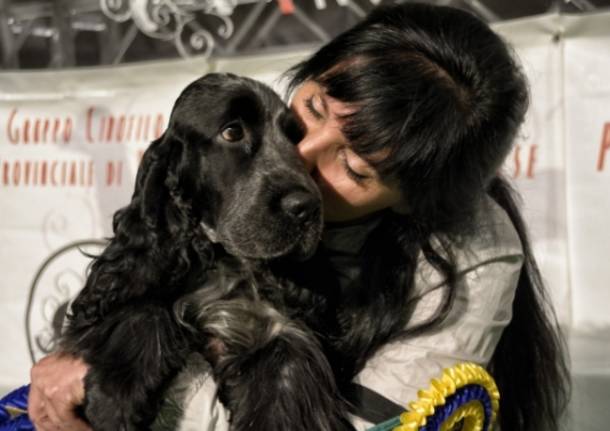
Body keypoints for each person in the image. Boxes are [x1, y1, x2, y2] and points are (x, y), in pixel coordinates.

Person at [28, 3, 570, 431]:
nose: (298, 160)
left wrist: (104, 397)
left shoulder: (475, 252)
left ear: (412, 202)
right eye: (308, 113)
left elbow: (370, 425)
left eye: (354, 169)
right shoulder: (242, 141)